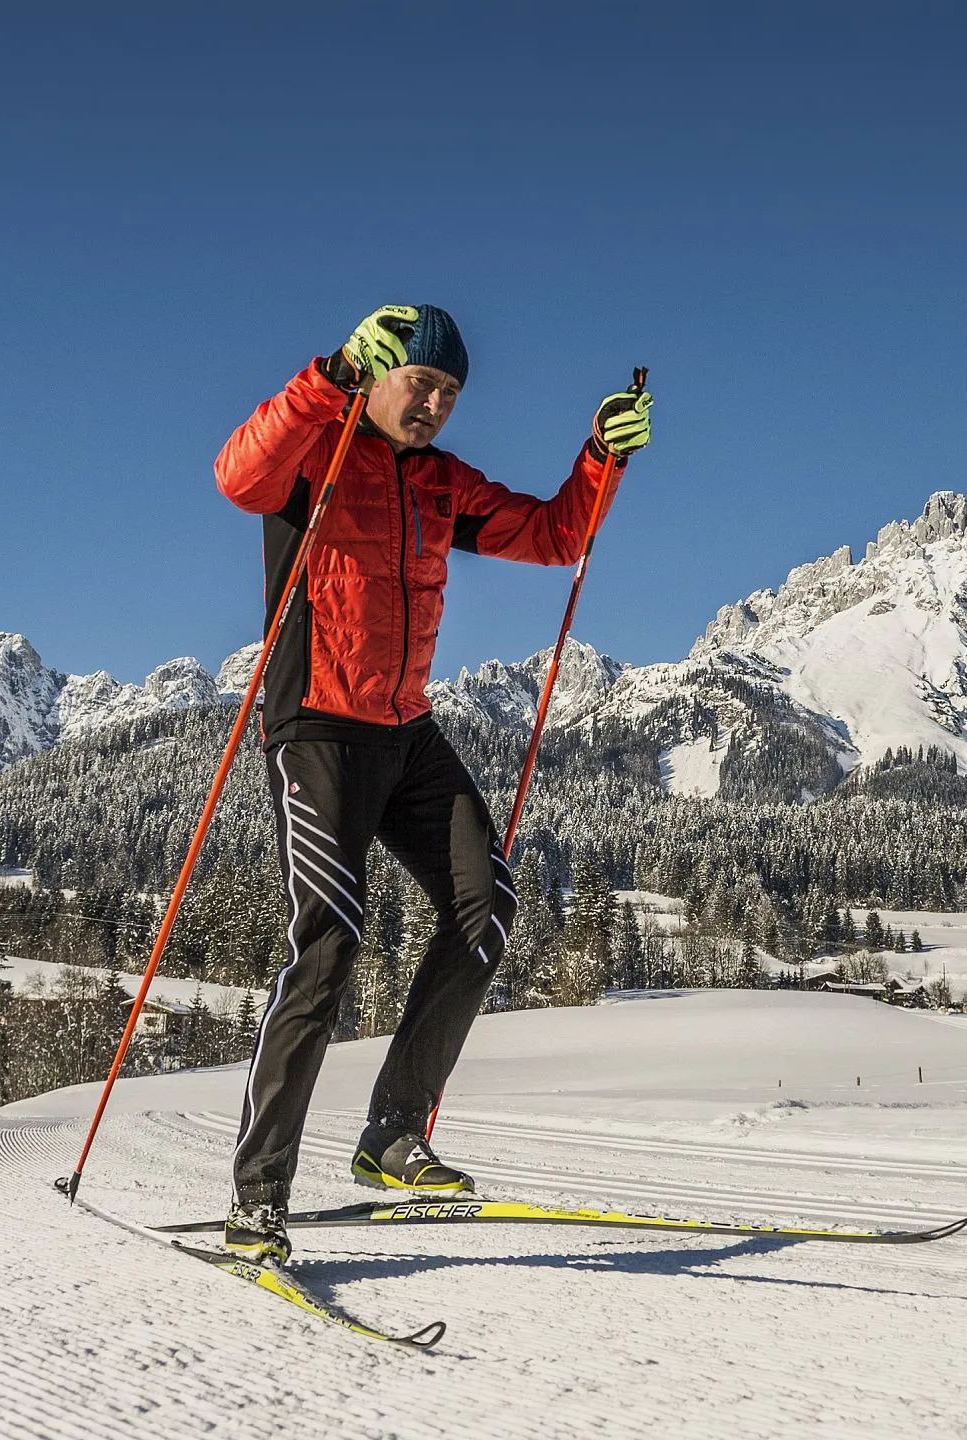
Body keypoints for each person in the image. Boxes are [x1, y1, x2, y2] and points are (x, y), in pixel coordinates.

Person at [210, 304, 652, 1265]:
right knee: (329, 945)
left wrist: (599, 458)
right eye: (422, 384)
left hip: (406, 729)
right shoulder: (313, 450)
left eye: (451, 393)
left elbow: (550, 539)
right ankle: (258, 1195)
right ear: (378, 373)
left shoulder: (442, 482)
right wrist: (325, 375)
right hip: (319, 727)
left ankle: (392, 1136)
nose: (437, 405)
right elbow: (236, 475)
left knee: (484, 906)